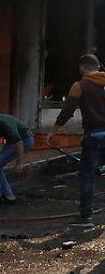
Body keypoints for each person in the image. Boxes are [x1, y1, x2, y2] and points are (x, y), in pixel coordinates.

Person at [51, 53, 105, 226]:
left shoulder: (80, 85)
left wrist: (54, 131)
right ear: (98, 67)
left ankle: (85, 217)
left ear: (82, 68)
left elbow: (68, 110)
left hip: (94, 136)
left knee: (87, 176)